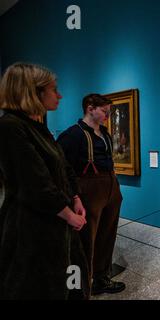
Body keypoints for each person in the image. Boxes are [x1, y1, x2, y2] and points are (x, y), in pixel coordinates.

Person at [0, 63, 88, 299]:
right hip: (32, 227)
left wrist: (76, 197)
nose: (59, 95)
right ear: (33, 92)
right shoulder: (11, 127)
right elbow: (36, 184)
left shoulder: (37, 127)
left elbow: (62, 166)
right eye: (54, 89)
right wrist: (71, 216)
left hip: (56, 222)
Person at [57, 94, 125, 296]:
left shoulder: (104, 133)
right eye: (104, 111)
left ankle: (101, 277)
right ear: (90, 108)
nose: (107, 115)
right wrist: (74, 196)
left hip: (110, 186)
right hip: (88, 189)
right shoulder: (72, 135)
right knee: (85, 240)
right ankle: (80, 287)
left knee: (107, 235)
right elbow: (61, 168)